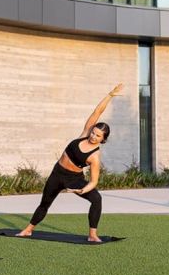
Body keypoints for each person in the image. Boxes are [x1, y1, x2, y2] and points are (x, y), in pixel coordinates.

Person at [18, 84, 123, 242]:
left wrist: (83, 190)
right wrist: (110, 95)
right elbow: (97, 112)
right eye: (94, 132)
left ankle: (92, 235)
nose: (93, 136)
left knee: (96, 198)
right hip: (57, 173)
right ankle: (28, 230)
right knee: (45, 203)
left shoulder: (95, 156)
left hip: (74, 178)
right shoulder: (85, 133)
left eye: (98, 136)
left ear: (103, 139)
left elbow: (94, 181)